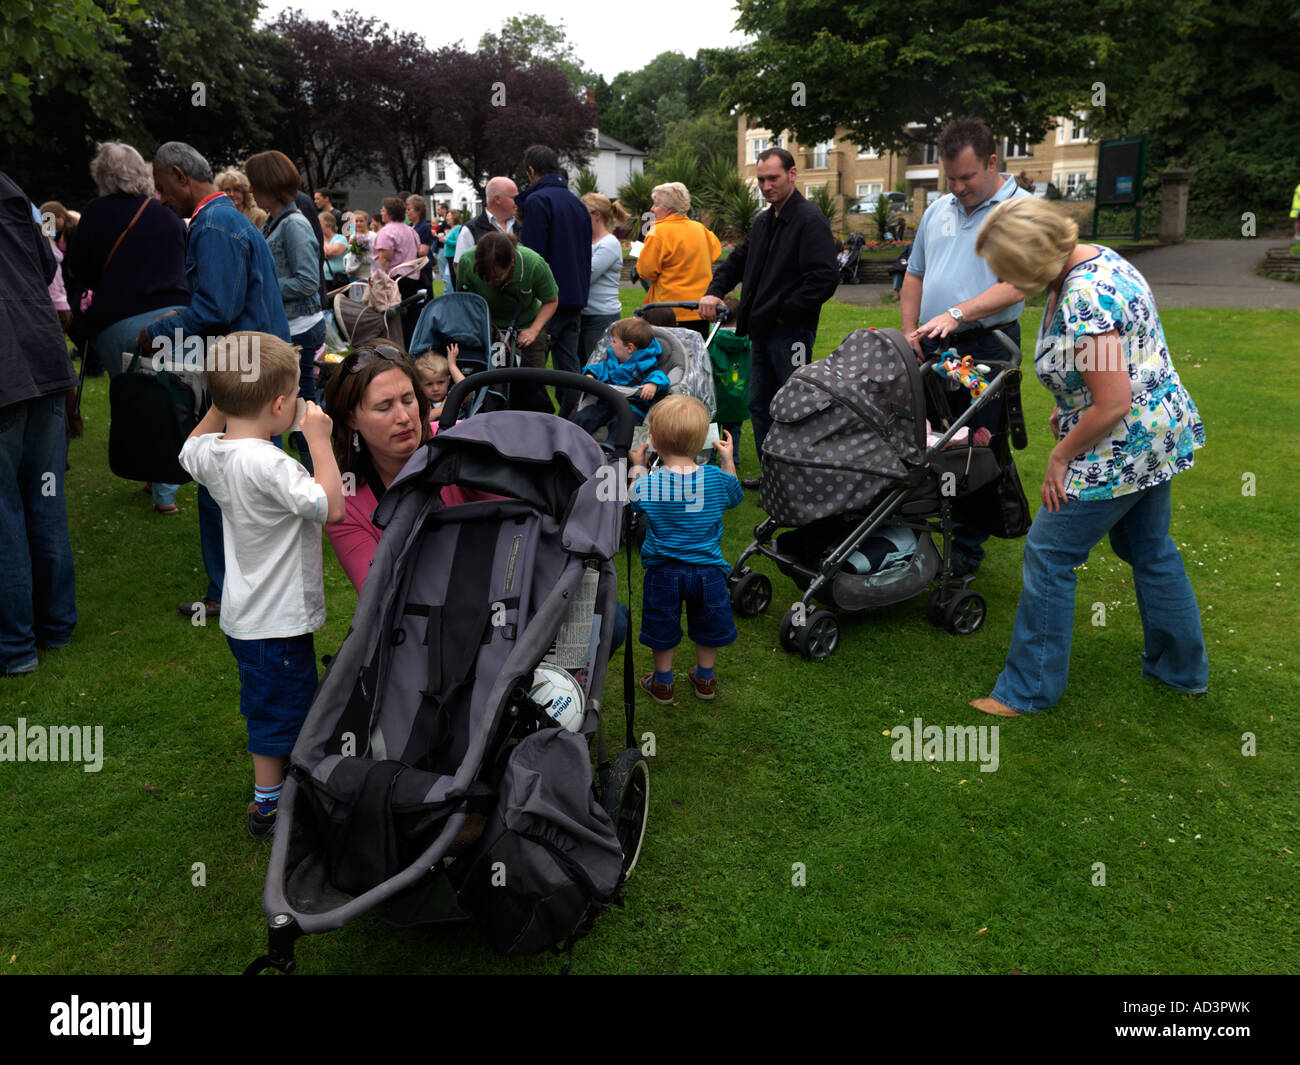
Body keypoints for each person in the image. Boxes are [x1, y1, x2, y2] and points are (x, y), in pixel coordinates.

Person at [969, 197, 1207, 717]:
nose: (1010, 281)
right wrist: (1071, 407)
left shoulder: (1085, 299)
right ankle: (1181, 671)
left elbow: (1114, 401)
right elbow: (1114, 370)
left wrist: (1061, 455)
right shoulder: (1101, 257)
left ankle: (1028, 691)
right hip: (1157, 431)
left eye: (1011, 269)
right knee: (1150, 548)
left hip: (1123, 443)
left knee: (1050, 553)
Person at [179, 333, 345, 837]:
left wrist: (222, 402)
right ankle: (271, 808)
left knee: (267, 702)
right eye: (294, 395)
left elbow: (189, 446)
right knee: (282, 714)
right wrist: (319, 440)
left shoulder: (215, 454)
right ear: (279, 404)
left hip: (245, 616)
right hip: (277, 622)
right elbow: (331, 506)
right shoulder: (271, 464)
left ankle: (275, 796)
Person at [143, 141, 291, 620]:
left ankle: (225, 593)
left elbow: (216, 310)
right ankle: (257, 585)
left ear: (181, 175)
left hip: (248, 368)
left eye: (164, 189)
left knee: (218, 482)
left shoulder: (212, 224)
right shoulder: (228, 219)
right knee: (254, 481)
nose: (162, 199)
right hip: (259, 363)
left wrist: (158, 330)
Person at [902, 116, 1032, 576]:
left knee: (975, 446)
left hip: (985, 348)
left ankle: (966, 553)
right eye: (950, 177)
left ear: (992, 162)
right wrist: (909, 332)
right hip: (934, 345)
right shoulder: (938, 211)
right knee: (933, 439)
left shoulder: (1020, 211)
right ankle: (924, 530)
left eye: (967, 176)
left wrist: (957, 313)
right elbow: (914, 273)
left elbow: (1018, 285)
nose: (957, 187)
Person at [699, 147, 838, 488]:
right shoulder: (765, 221)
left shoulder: (809, 220)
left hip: (791, 335)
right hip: (760, 333)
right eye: (761, 179)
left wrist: (781, 313)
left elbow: (824, 279)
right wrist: (715, 289)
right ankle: (773, 476)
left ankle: (799, 478)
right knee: (759, 406)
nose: (766, 186)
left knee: (793, 408)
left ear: (792, 174)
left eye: (773, 178)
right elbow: (737, 262)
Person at [63, 141, 191, 513]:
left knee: (133, 398)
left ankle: (145, 467)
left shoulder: (95, 213)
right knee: (172, 400)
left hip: (116, 322)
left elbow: (78, 271)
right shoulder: (166, 215)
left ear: (101, 175)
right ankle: (164, 489)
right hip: (173, 318)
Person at [0, 170, 78, 676]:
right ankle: (54, 625)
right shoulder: (10, 190)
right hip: (41, 353)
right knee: (42, 499)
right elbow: (46, 262)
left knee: (8, 509)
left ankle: (16, 645)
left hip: (16, 363)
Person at [628, 395, 742, 703]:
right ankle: (705, 678)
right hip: (709, 571)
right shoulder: (716, 479)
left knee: (662, 624)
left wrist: (638, 465)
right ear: (705, 439)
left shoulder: (652, 484)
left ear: (652, 440)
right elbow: (734, 497)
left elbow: (634, 501)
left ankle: (663, 683)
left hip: (664, 571)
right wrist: (728, 460)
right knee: (708, 622)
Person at [246, 150, 326, 474]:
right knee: (292, 411)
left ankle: (320, 481)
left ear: (268, 184)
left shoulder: (294, 224)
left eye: (254, 184)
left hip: (301, 329)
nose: (251, 191)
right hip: (289, 327)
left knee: (302, 415)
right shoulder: (275, 221)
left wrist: (262, 287)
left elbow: (307, 281)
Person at [517, 145, 591, 418]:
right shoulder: (576, 202)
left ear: (531, 171)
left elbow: (533, 259)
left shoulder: (538, 201)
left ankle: (537, 420)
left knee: (532, 365)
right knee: (568, 365)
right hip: (576, 295)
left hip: (547, 300)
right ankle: (573, 417)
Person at [455, 231, 558, 412]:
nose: (490, 283)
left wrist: (533, 330)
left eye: (496, 278)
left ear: (512, 263)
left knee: (532, 387)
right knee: (493, 386)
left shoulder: (534, 264)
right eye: (484, 278)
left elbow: (551, 300)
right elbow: (465, 305)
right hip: (486, 330)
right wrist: (494, 333)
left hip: (527, 327)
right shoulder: (466, 261)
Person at [637, 182, 722, 339]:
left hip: (668, 310)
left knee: (670, 358)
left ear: (669, 209)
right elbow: (715, 251)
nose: (652, 209)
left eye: (656, 205)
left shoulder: (658, 231)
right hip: (700, 308)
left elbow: (645, 271)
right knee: (696, 357)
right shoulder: (700, 229)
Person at [571, 316, 669, 441]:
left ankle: (617, 454)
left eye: (614, 341)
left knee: (623, 426)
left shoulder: (646, 368)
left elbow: (661, 377)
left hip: (632, 409)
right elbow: (597, 368)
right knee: (583, 417)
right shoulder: (611, 362)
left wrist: (652, 384)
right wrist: (590, 376)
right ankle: (571, 443)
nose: (610, 345)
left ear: (629, 348)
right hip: (607, 404)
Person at [580, 193, 628, 361]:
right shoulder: (585, 241)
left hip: (601, 316)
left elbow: (586, 276)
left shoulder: (609, 243)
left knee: (597, 367)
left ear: (596, 214)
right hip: (584, 314)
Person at [453, 177, 517, 266]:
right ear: (497, 199)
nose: (517, 202)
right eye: (513, 197)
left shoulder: (522, 226)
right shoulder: (471, 229)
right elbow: (460, 267)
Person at [413, 346, 463, 420]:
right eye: (429, 384)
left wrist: (452, 365)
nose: (435, 388)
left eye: (440, 382)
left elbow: (466, 390)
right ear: (419, 385)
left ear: (448, 380)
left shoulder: (452, 396)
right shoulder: (419, 402)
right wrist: (438, 411)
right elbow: (417, 422)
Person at [406, 193, 437, 297]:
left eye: (409, 209)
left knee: (424, 297)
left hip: (422, 270)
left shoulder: (424, 227)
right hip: (412, 268)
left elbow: (423, 251)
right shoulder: (410, 226)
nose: (407, 212)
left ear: (418, 211)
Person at [319, 210, 348, 287]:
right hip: (323, 279)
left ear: (328, 225)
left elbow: (332, 252)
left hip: (338, 280)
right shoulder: (318, 239)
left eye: (319, 223)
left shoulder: (341, 238)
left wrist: (323, 240)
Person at [441, 210, 462, 286]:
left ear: (454, 217)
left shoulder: (458, 228)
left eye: (449, 216)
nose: (446, 218)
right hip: (449, 258)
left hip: (454, 258)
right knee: (452, 280)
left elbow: (458, 243)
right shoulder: (452, 229)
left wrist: (446, 240)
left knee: (455, 280)